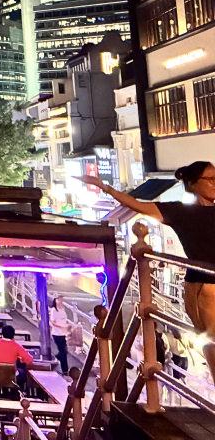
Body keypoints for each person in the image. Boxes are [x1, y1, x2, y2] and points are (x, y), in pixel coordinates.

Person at [79, 162, 215, 379]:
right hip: (204, 287)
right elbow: (137, 205)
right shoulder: (181, 212)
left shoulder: (181, 211)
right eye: (210, 179)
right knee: (210, 340)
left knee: (209, 340)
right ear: (192, 184)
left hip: (199, 284)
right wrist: (105, 187)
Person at [49, 296, 71, 374]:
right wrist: (62, 326)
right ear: (55, 300)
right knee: (63, 352)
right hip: (57, 334)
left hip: (63, 333)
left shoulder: (62, 309)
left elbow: (64, 319)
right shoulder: (54, 310)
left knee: (64, 351)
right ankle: (65, 370)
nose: (61, 301)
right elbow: (52, 322)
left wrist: (67, 325)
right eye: (59, 299)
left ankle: (55, 359)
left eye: (61, 299)